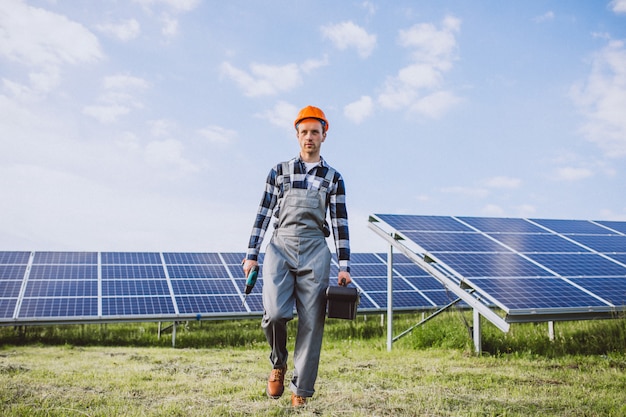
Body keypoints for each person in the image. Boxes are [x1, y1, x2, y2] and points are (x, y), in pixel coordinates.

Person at [242, 105, 351, 408]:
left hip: (316, 250)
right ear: (297, 135)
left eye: (315, 132)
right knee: (275, 313)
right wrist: (252, 254)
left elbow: (340, 222)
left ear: (324, 135)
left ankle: (300, 390)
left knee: (312, 321)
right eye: (304, 132)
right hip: (280, 246)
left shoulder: (334, 178)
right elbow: (263, 214)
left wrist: (344, 265)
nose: (309, 137)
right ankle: (278, 362)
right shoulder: (279, 172)